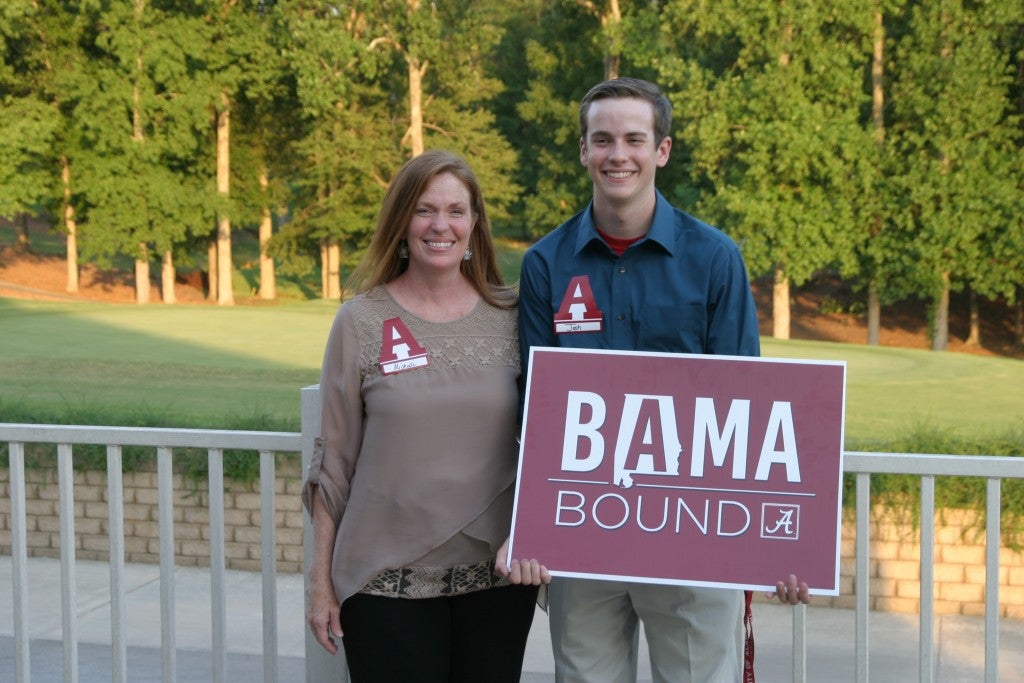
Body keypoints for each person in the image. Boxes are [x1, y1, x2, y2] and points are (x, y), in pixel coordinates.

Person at [500, 77, 810, 683]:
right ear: (584, 150)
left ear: (661, 150)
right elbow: (533, 408)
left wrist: (778, 548)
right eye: (603, 139)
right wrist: (528, 524)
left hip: (691, 534)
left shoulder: (715, 259)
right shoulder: (545, 264)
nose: (619, 154)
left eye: (635, 139)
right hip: (585, 529)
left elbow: (745, 410)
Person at [303, 150, 542, 682]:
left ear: (475, 224)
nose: (441, 226)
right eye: (424, 210)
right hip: (384, 582)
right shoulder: (360, 321)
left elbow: (552, 437)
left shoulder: (514, 316)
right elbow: (333, 462)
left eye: (456, 211)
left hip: (497, 581)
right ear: (401, 221)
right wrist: (319, 583)